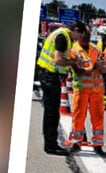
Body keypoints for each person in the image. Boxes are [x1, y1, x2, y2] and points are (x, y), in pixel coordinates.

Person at [35, 22, 82, 154]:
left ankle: (51, 143)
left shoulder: (62, 35)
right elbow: (58, 59)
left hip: (49, 75)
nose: (78, 39)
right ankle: (51, 145)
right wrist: (73, 63)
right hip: (49, 76)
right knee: (51, 113)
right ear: (76, 30)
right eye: (79, 35)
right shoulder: (62, 37)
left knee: (52, 112)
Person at [68, 22, 106, 153]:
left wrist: (101, 67)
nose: (88, 36)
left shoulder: (95, 49)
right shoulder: (74, 51)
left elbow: (104, 70)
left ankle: (98, 143)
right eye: (86, 33)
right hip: (82, 90)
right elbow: (79, 71)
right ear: (80, 34)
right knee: (79, 116)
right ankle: (76, 142)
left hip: (97, 90)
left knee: (98, 116)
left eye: (90, 34)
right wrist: (94, 67)